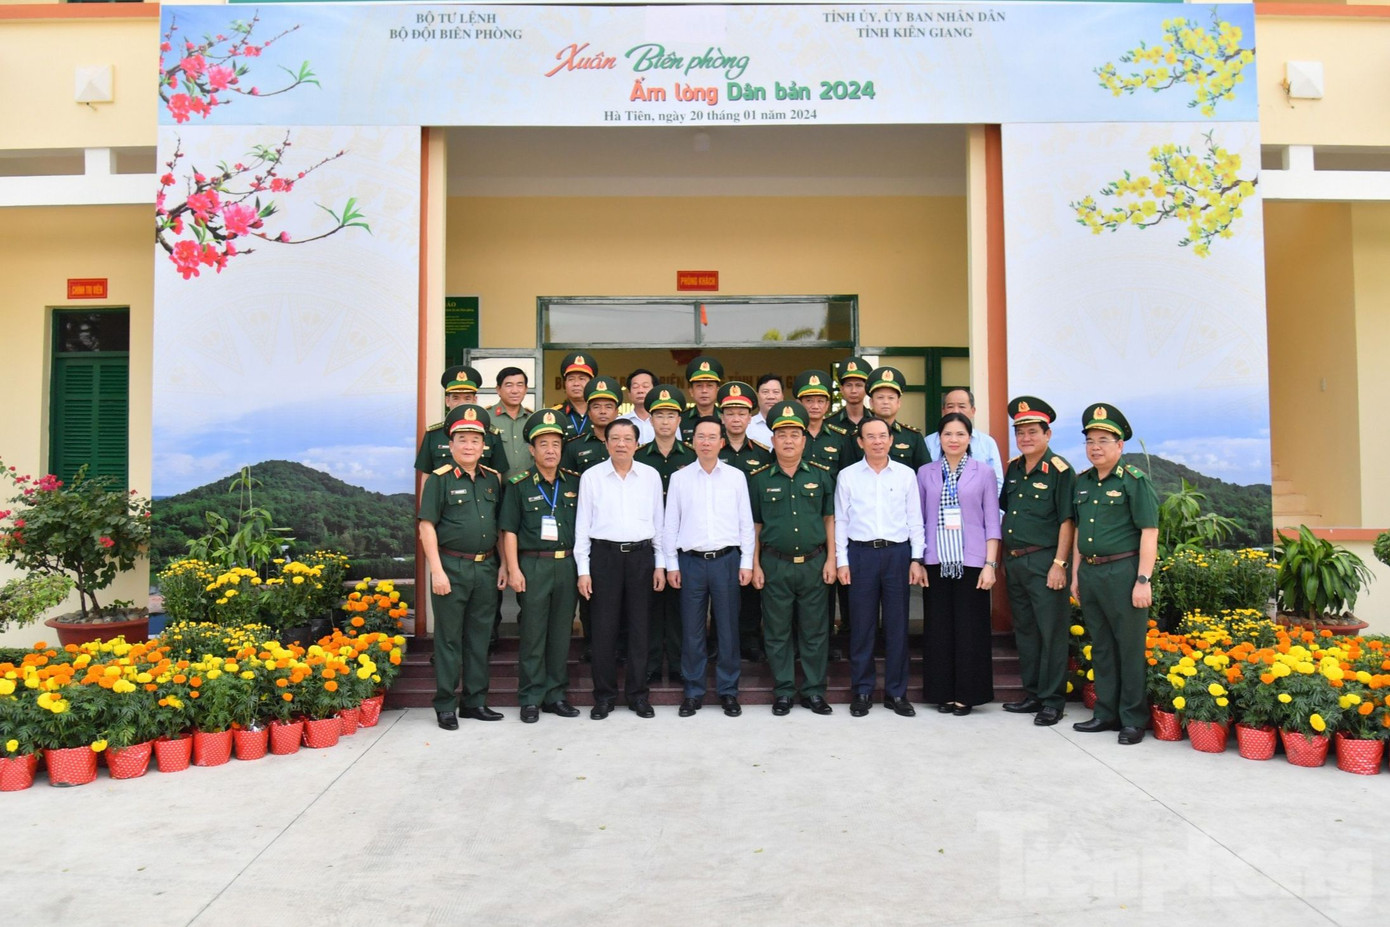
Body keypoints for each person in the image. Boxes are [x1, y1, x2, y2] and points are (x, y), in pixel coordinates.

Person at [1069, 403, 1159, 746]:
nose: (1096, 446)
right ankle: (1105, 713)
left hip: (1124, 573)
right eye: (1090, 440)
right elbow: (1079, 533)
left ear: (1120, 445)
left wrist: (1143, 580)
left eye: (1104, 440)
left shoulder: (1134, 482)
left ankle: (1133, 719)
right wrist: (1076, 574)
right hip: (1091, 574)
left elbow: (1148, 533)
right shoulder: (1083, 483)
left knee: (1129, 649)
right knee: (1102, 647)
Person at [417, 404, 508, 729]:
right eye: (462, 440)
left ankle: (475, 702)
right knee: (449, 639)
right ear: (451, 445)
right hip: (451, 568)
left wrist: (501, 566)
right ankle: (445, 705)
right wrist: (437, 571)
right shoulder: (439, 480)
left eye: (475, 440)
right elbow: (426, 526)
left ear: (484, 446)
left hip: (485, 569)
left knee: (479, 638)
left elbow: (498, 527)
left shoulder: (492, 480)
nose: (469, 446)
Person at [834, 417, 927, 717]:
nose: (877, 441)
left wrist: (917, 558)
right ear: (860, 442)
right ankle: (862, 690)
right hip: (860, 555)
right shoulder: (847, 476)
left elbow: (915, 519)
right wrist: (841, 560)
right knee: (862, 627)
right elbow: (841, 520)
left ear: (890, 440)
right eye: (870, 436)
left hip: (897, 555)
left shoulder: (905, 474)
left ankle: (896, 693)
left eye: (882, 436)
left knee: (898, 627)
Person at [575, 419, 666, 719]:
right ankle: (604, 696)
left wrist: (660, 564)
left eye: (628, 438)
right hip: (604, 558)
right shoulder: (591, 477)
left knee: (641, 630)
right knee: (604, 630)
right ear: (606, 443)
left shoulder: (651, 476)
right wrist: (583, 570)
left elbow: (660, 524)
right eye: (615, 438)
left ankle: (638, 695)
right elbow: (582, 527)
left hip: (641, 558)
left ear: (638, 444)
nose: (621, 444)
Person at [750, 400, 837, 716]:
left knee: (815, 631)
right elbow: (755, 526)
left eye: (795, 434)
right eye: (782, 434)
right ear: (772, 440)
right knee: (777, 632)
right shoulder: (759, 479)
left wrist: (831, 560)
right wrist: (755, 564)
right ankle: (784, 691)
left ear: (804, 438)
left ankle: (814, 691)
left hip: (815, 563)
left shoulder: (822, 475)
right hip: (775, 564)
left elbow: (830, 519)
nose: (788, 440)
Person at [665, 415, 755, 718]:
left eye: (712, 437)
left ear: (721, 442)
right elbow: (670, 525)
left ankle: (729, 691)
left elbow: (746, 523)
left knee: (728, 628)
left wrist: (746, 562)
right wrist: (670, 565)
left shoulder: (735, 476)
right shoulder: (680, 478)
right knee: (691, 630)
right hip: (690, 562)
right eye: (700, 437)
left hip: (727, 561)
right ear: (692, 442)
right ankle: (693, 691)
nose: (705, 442)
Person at [918, 412, 1002, 716]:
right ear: (939, 439)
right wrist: (916, 560)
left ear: (969, 439)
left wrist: (990, 564)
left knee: (971, 630)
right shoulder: (926, 472)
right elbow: (920, 519)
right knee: (939, 629)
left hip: (973, 562)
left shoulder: (983, 472)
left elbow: (992, 520)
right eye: (947, 434)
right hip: (936, 560)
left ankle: (968, 694)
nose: (953, 440)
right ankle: (942, 691)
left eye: (960, 434)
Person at [999, 396, 1076, 727]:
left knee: (1051, 632)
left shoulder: (1060, 471)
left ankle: (1053, 700)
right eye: (1021, 432)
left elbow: (1067, 521)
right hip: (1015, 563)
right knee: (1027, 632)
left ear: (1048, 434)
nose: (1026, 438)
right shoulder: (1015, 468)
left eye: (1032, 431)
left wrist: (1059, 563)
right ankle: (1033, 693)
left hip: (1045, 562)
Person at [500, 409, 581, 723]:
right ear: (531, 450)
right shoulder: (519, 485)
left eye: (556, 444)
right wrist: (513, 569)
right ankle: (531, 697)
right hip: (533, 565)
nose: (550, 450)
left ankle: (556, 695)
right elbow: (508, 531)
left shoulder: (573, 483)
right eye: (543, 444)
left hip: (567, 564)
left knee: (561, 635)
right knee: (533, 635)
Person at [636, 385, 698, 684]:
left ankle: (676, 663)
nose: (664, 421)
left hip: (681, 543)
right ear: (650, 420)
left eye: (670, 415)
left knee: (677, 608)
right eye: (659, 415)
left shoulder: (693, 456)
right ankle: (648, 664)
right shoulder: (638, 457)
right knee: (647, 607)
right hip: (646, 543)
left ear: (679, 420)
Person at [716, 381, 772, 662]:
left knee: (750, 591)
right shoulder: (712, 450)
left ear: (750, 417)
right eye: (730, 413)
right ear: (722, 417)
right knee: (719, 591)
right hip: (719, 532)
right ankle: (717, 642)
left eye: (741, 413)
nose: (736, 418)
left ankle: (750, 640)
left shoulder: (763, 453)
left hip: (753, 531)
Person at [415, 365, 510, 476]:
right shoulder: (433, 434)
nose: (461, 403)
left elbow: (496, 474)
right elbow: (426, 475)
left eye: (467, 398)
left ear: (475, 400)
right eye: (455, 398)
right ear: (447, 401)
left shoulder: (490, 434)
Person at [843, 366, 930, 470]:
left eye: (891, 398)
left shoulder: (913, 437)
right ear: (871, 402)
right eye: (880, 397)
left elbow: (925, 473)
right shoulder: (856, 436)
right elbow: (848, 471)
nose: (885, 402)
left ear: (898, 403)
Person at [925, 388, 1005, 493]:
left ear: (973, 411)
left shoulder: (987, 442)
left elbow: (997, 482)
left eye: (962, 406)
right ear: (943, 411)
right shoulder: (929, 442)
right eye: (950, 406)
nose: (956, 411)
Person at [560, 375, 621, 473]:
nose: (603, 411)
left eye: (608, 407)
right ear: (589, 413)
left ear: (616, 412)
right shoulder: (573, 446)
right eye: (596, 407)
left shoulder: (626, 444)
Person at [794, 369, 851, 474]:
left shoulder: (840, 437)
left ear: (827, 405)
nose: (815, 406)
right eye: (809, 401)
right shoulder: (792, 436)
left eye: (820, 401)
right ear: (799, 404)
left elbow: (847, 474)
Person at [490, 367, 533, 481]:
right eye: (509, 385)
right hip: (496, 488)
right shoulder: (487, 418)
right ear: (498, 389)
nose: (515, 390)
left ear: (526, 389)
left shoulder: (533, 419)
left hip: (528, 488)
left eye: (520, 385)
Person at [551, 352, 597, 438]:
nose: (576, 383)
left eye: (581, 379)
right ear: (565, 384)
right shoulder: (554, 415)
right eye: (571, 379)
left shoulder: (601, 414)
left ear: (591, 383)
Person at [680, 355, 723, 443]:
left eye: (709, 386)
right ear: (691, 391)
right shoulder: (680, 420)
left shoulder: (726, 418)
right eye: (699, 386)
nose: (704, 391)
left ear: (717, 390)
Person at [827, 356, 873, 433]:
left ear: (866, 389)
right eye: (849, 385)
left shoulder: (876, 420)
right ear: (841, 389)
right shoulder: (829, 422)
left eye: (858, 385)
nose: (853, 390)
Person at [620, 368, 658, 445]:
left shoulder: (666, 422)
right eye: (635, 387)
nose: (640, 390)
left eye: (645, 386)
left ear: (655, 391)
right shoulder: (619, 422)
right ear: (629, 395)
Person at [746, 373, 784, 446]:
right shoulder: (747, 426)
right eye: (765, 392)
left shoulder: (791, 424)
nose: (771, 397)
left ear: (782, 396)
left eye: (776, 392)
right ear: (757, 396)